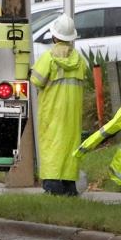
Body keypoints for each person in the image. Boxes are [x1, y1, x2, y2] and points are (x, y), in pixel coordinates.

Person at [31, 13, 87, 196]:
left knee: (52, 145)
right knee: (71, 146)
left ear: (54, 36)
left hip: (52, 111)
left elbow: (36, 81)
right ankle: (69, 186)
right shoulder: (79, 61)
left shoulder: (48, 58)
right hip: (72, 113)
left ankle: (53, 186)